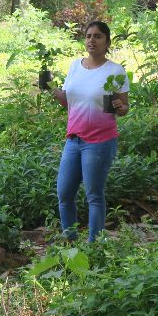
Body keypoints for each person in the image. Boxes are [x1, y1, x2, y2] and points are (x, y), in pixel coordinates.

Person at [46, 21, 128, 242]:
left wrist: (120, 107)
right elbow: (69, 101)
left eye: (98, 36)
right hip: (74, 139)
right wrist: (49, 88)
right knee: (64, 193)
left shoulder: (114, 71)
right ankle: (70, 240)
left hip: (100, 141)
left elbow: (123, 107)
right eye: (89, 36)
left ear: (107, 42)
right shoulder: (75, 66)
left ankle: (95, 245)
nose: (92, 40)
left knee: (93, 195)